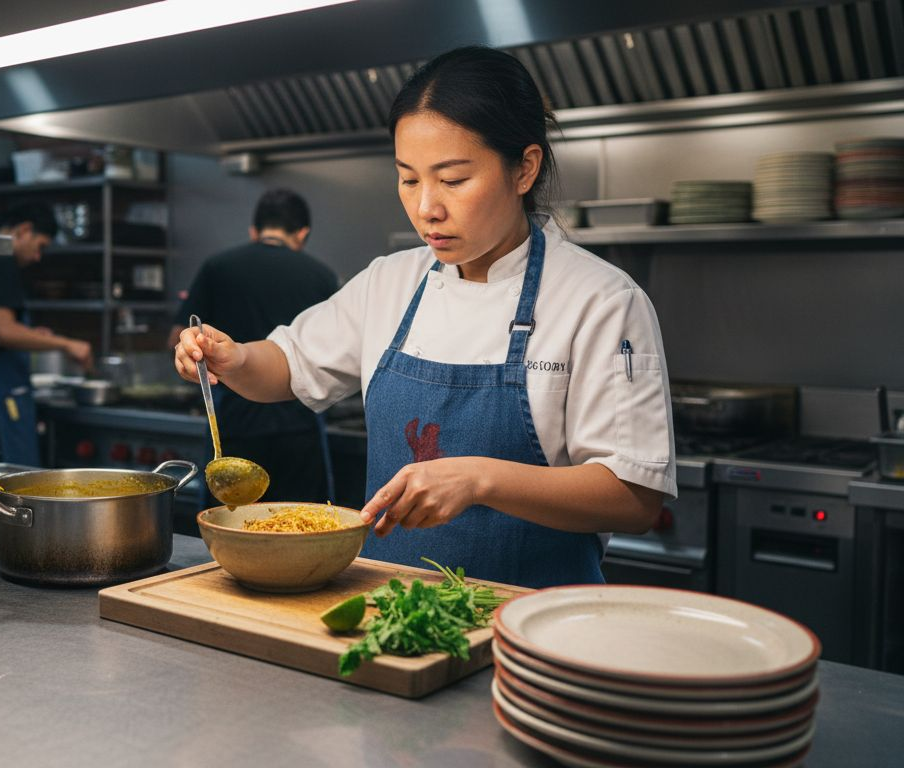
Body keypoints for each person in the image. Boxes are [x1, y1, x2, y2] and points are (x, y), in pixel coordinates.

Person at [174, 46, 675, 588]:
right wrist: (234, 358)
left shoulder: (600, 300)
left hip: (529, 620)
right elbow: (287, 367)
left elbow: (634, 498)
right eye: (409, 179)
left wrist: (480, 479)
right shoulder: (391, 281)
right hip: (392, 613)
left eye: (453, 180)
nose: (426, 208)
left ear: (524, 169)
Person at [168, 189, 339, 504]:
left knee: (227, 522)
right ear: (302, 233)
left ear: (254, 231)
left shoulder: (218, 267)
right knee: (303, 523)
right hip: (299, 428)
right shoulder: (322, 276)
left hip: (235, 425)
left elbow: (178, 336)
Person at [0, 202, 92, 465]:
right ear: (24, 230)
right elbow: (3, 333)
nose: (38, 257)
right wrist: (67, 344)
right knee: (3, 482)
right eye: (40, 246)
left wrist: (29, 334)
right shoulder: (1, 259)